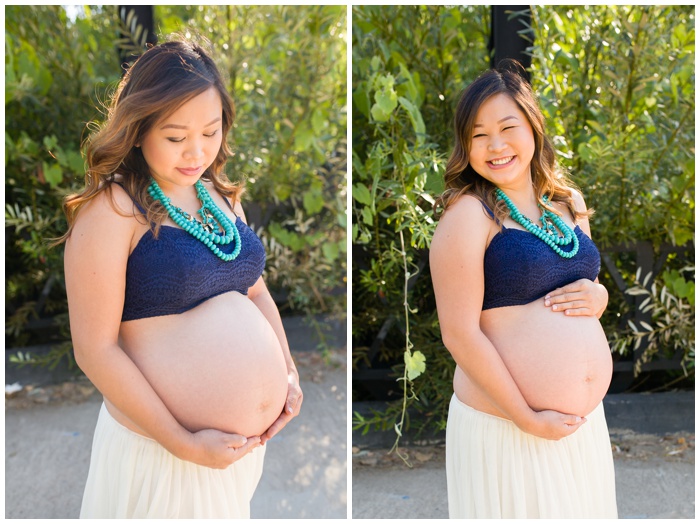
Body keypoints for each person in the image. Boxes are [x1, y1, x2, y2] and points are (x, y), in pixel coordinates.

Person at [60, 37, 303, 518]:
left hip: (233, 458)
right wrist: (183, 442)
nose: (196, 152)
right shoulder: (113, 210)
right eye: (175, 137)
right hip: (161, 455)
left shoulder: (219, 195)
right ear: (138, 128)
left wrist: (288, 373)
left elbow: (255, 291)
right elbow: (94, 349)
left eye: (211, 132)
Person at [430, 61, 617, 519]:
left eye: (507, 127)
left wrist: (601, 297)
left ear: (532, 126)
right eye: (478, 135)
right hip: (507, 427)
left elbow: (587, 286)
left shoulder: (569, 204)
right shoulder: (469, 214)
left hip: (582, 429)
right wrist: (528, 418)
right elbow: (459, 333)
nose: (495, 146)